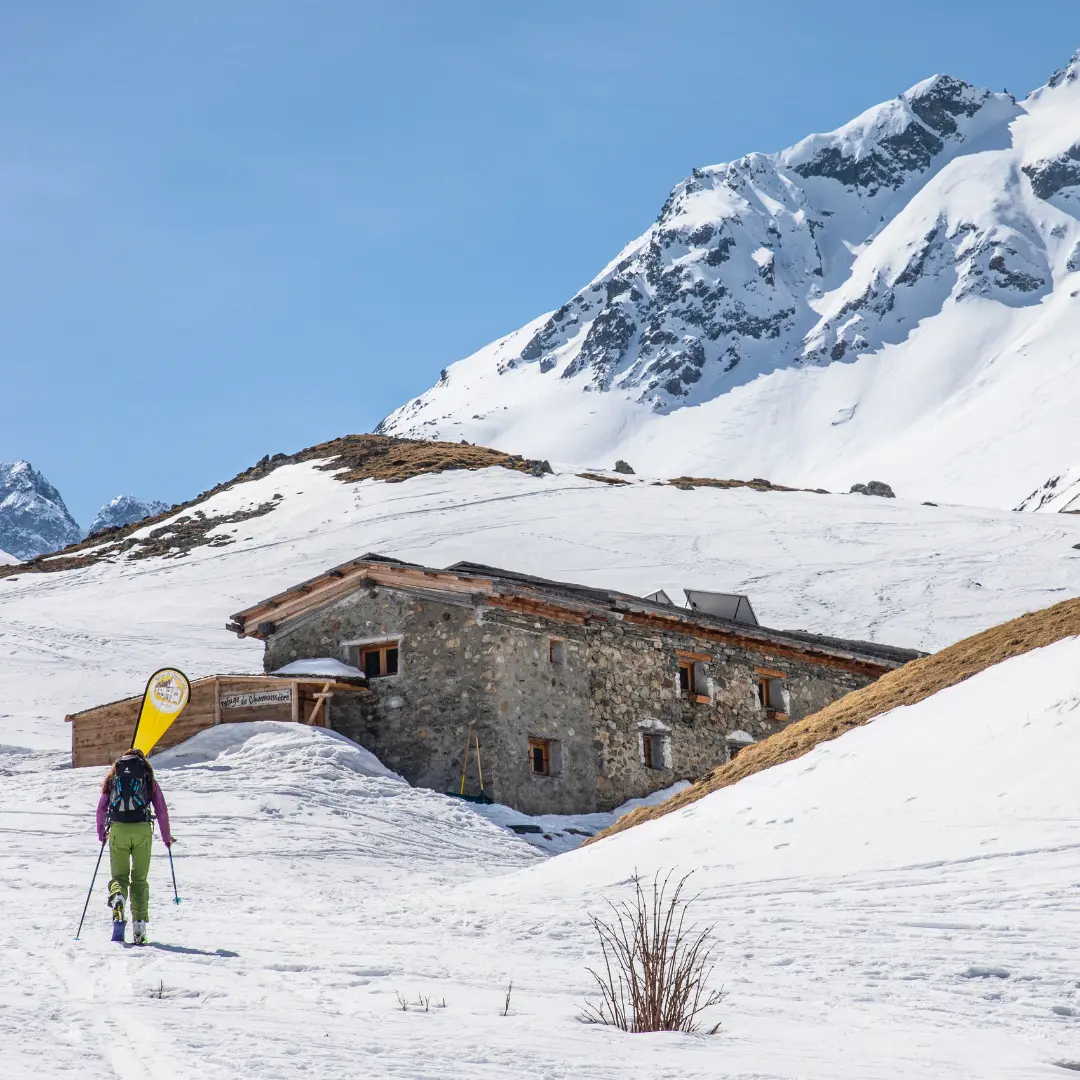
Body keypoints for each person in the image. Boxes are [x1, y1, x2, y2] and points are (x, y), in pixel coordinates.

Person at [96, 748, 172, 944]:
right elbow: (161, 810)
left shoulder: (113, 779)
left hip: (118, 830)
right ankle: (139, 925)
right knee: (139, 879)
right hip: (142, 831)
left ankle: (118, 896)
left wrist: (101, 833)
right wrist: (166, 838)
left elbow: (101, 808)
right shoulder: (147, 779)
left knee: (119, 877)